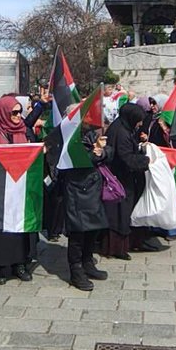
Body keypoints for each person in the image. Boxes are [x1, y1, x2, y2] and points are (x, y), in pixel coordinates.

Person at [0, 95, 41, 284]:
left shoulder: (25, 130)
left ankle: (20, 263)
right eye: (14, 112)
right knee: (1, 229)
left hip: (21, 189)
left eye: (20, 112)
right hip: (2, 190)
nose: (18, 116)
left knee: (20, 228)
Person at [59, 123, 110, 291]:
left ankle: (87, 262)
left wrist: (102, 151)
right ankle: (76, 270)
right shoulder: (68, 137)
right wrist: (95, 154)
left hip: (92, 188)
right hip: (76, 189)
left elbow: (109, 151)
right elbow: (76, 161)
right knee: (78, 231)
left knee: (92, 228)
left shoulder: (89, 133)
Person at [97, 102, 150, 260]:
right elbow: (126, 158)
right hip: (121, 180)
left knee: (118, 213)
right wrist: (146, 160)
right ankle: (116, 248)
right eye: (138, 120)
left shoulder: (120, 127)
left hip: (118, 177)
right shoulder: (122, 133)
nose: (140, 124)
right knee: (120, 214)